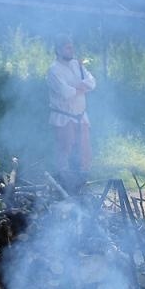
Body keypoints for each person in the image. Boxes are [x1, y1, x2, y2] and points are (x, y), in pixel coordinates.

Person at [46, 35, 96, 182]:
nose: (71, 50)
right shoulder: (54, 70)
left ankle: (82, 182)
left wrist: (77, 88)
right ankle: (63, 183)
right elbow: (65, 92)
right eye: (68, 48)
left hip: (81, 115)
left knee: (85, 152)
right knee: (65, 151)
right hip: (63, 117)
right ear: (58, 50)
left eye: (71, 47)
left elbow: (92, 82)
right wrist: (81, 88)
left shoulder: (77, 65)